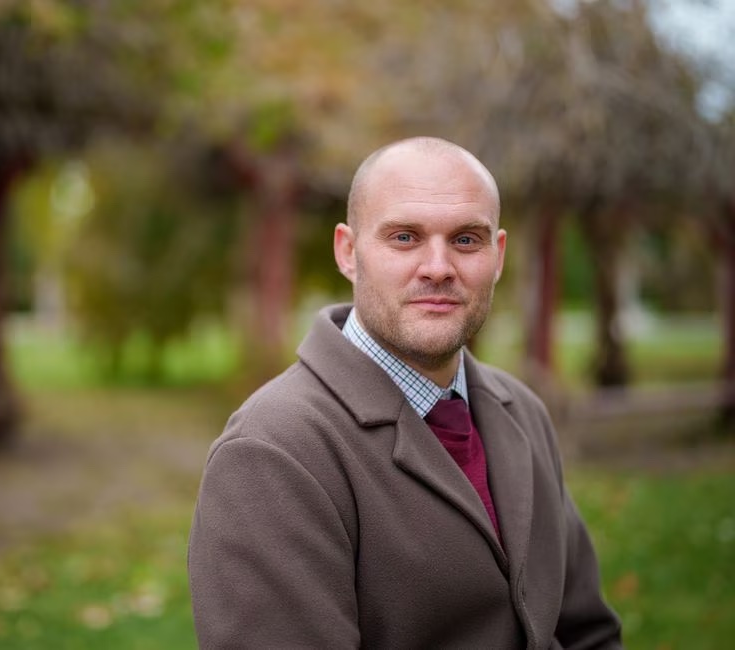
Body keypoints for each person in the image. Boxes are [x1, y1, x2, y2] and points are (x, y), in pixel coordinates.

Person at [187, 136, 622, 648]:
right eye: (404, 237)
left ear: (497, 256)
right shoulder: (273, 452)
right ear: (348, 253)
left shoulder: (522, 411)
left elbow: (588, 633)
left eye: (465, 240)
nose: (438, 267)